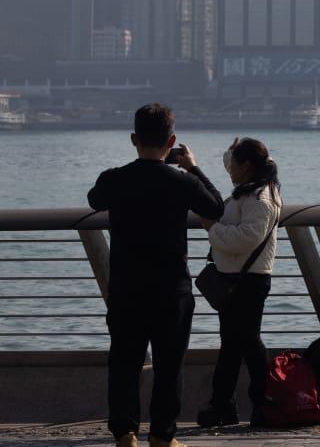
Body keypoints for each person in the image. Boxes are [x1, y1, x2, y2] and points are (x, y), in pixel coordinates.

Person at [87, 103, 225, 447]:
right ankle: (162, 435)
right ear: (172, 140)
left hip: (126, 287)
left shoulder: (115, 179)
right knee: (168, 365)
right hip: (171, 288)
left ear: (134, 138)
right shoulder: (181, 182)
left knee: (124, 362)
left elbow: (94, 199)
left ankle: (124, 433)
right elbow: (216, 207)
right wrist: (193, 168)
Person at [196, 137, 282, 429]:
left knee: (246, 341)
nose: (228, 167)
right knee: (233, 343)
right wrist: (228, 151)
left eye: (233, 162)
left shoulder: (261, 199)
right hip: (234, 277)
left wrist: (212, 228)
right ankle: (225, 405)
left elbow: (245, 240)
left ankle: (262, 401)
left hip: (250, 280)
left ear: (246, 166)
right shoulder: (252, 186)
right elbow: (232, 165)